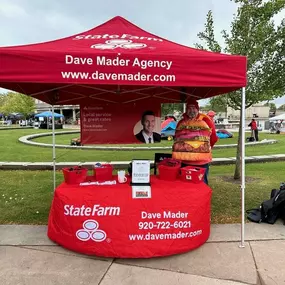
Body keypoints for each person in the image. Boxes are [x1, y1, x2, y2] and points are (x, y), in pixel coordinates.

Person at [172, 99, 218, 184]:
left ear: (198, 109)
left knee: (201, 184)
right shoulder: (181, 123)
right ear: (186, 110)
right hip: (184, 161)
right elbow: (177, 138)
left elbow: (214, 137)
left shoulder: (206, 121)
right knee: (185, 184)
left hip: (201, 162)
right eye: (189, 108)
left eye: (194, 108)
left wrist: (205, 148)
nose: (191, 110)